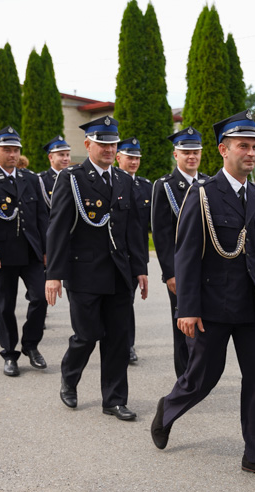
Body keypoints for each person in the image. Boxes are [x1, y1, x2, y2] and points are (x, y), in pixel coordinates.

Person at [150, 110, 255, 484]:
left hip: (252, 308)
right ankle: (167, 410)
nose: (251, 153)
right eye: (243, 146)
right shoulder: (203, 196)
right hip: (212, 306)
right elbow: (186, 255)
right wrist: (188, 308)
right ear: (223, 150)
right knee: (202, 378)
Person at [46, 117, 148, 420]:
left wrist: (140, 268)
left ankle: (114, 400)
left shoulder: (123, 180)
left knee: (117, 338)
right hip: (85, 273)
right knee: (87, 335)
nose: (108, 148)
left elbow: (133, 229)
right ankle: (70, 376)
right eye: (102, 143)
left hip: (119, 273)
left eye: (112, 143)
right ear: (88, 144)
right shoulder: (71, 178)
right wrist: (54, 274)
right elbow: (58, 228)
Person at [0, 126, 49, 377]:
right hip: (2, 255)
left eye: (16, 150)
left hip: (31, 252)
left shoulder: (30, 178)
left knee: (40, 297)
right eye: (7, 150)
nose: (12, 155)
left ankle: (31, 345)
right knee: (5, 306)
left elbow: (41, 217)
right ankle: (9, 353)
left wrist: (47, 250)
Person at [150, 126, 209, 378]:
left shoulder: (209, 182)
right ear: (176, 155)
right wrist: (169, 273)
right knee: (182, 322)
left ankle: (201, 370)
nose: (192, 156)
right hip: (180, 269)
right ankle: (184, 376)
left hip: (207, 266)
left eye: (195, 151)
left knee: (206, 320)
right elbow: (161, 234)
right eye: (186, 152)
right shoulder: (165, 186)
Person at [116, 137, 151, 364]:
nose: (134, 162)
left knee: (127, 304)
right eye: (130, 157)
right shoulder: (112, 182)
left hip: (135, 255)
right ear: (119, 157)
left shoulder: (146, 186)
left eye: (137, 158)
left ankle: (127, 345)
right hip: (114, 252)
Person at [37, 136, 71, 209]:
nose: (66, 159)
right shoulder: (42, 180)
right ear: (50, 157)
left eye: (67, 155)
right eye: (61, 155)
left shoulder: (74, 178)